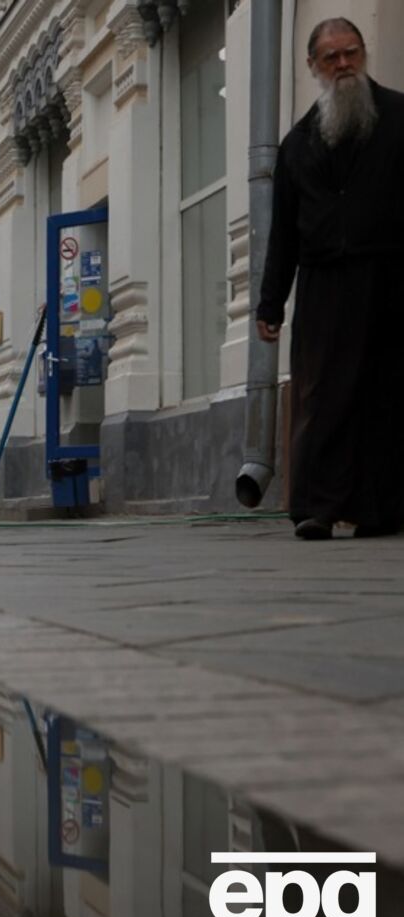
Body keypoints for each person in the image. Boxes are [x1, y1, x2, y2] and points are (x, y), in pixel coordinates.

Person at [257, 17, 404, 540]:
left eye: (351, 53)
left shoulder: (399, 116)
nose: (343, 65)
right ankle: (317, 507)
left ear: (363, 55)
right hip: (323, 284)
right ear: (312, 67)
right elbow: (283, 234)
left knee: (384, 391)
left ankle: (381, 509)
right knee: (321, 396)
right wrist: (270, 304)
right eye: (331, 57)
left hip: (389, 275)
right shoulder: (296, 144)